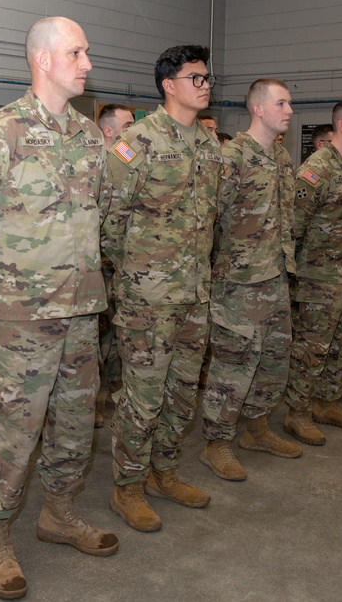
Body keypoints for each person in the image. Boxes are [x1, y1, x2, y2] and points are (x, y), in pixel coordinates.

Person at [0, 17, 118, 600]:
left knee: (73, 426)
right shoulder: (2, 132)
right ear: (43, 59)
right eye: (77, 52)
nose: (88, 63)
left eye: (87, 52)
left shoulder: (90, 138)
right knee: (15, 432)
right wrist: (13, 266)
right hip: (21, 319)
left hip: (82, 313)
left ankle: (58, 514)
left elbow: (106, 216)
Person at [103, 44, 223, 532]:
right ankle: (127, 487)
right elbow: (110, 217)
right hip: (148, 296)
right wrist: (136, 273)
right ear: (169, 85)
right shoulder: (138, 141)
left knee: (180, 393)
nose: (206, 84)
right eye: (196, 77)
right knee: (143, 397)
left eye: (207, 77)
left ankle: (164, 472)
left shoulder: (210, 144)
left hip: (195, 292)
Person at [199, 78, 300, 481]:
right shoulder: (232, 157)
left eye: (289, 103)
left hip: (275, 276)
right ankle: (216, 442)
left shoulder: (283, 158)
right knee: (232, 364)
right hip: (238, 283)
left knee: (274, 359)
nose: (289, 110)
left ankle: (257, 429)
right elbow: (209, 220)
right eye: (282, 103)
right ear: (258, 109)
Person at [283, 99, 342, 446]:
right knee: (313, 348)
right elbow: (296, 225)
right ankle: (298, 412)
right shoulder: (317, 168)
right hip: (322, 277)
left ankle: (327, 402)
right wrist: (298, 276)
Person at [95, 103, 136, 427]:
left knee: (118, 332)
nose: (134, 131)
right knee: (94, 335)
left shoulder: (130, 165)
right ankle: (91, 399)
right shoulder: (94, 165)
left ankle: (114, 387)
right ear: (109, 131)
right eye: (127, 125)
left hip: (121, 265)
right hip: (96, 266)